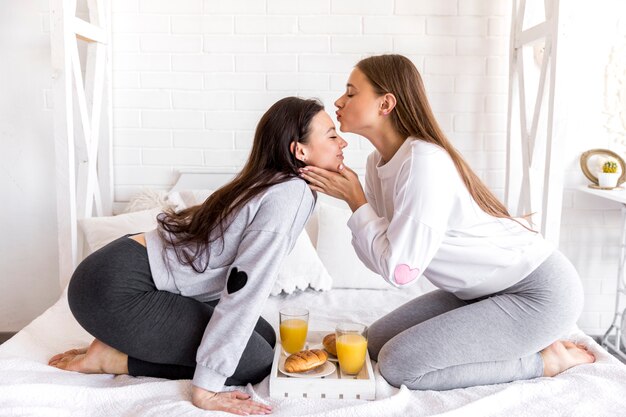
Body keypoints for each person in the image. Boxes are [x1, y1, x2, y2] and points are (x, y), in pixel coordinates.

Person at [299, 54, 595, 391]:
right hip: (477, 292)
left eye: (351, 93)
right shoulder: (377, 162)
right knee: (374, 342)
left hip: (537, 292)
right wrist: (357, 205)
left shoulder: (423, 161)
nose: (339, 101)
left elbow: (401, 271)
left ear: (386, 104)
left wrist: (356, 200)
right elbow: (384, 257)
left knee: (400, 366)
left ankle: (545, 361)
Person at [49, 96, 347, 415]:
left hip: (121, 271)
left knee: (266, 337)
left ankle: (122, 343)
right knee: (256, 362)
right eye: (331, 135)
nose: (342, 140)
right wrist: (205, 390)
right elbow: (243, 289)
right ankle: (111, 358)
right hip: (114, 288)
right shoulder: (289, 194)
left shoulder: (281, 185)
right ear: (299, 151)